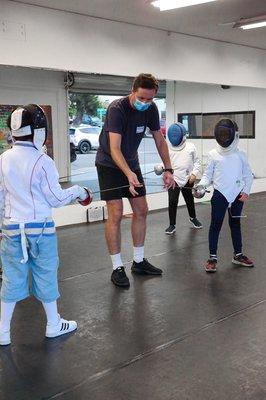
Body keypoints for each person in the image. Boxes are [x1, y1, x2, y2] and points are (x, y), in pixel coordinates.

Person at [0, 104, 91, 345]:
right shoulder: (43, 161)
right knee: (45, 274)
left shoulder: (3, 159)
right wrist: (80, 192)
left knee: (11, 277)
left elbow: (0, 199)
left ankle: (3, 332)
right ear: (40, 130)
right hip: (40, 230)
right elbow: (56, 199)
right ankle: (53, 324)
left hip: (11, 230)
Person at [95, 73, 175, 288]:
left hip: (132, 162)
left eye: (150, 99)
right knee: (117, 213)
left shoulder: (151, 109)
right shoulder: (116, 109)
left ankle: (138, 261)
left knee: (142, 209)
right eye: (142, 98)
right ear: (133, 91)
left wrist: (168, 169)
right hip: (109, 164)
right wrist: (128, 174)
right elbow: (114, 148)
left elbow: (160, 140)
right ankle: (117, 267)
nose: (145, 103)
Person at [197, 118, 254, 273]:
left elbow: (248, 175)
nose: (223, 137)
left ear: (234, 135)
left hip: (237, 195)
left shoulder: (241, 154)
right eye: (221, 134)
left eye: (225, 134)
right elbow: (208, 175)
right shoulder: (213, 154)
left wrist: (246, 191)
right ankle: (212, 257)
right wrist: (201, 184)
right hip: (220, 194)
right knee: (215, 225)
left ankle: (238, 255)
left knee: (235, 225)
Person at [164, 122, 202, 235]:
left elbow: (197, 161)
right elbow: (164, 163)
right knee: (172, 201)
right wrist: (163, 171)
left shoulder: (191, 147)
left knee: (189, 199)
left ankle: (193, 218)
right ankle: (172, 225)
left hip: (188, 178)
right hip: (173, 179)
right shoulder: (167, 148)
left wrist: (194, 174)